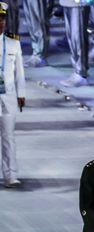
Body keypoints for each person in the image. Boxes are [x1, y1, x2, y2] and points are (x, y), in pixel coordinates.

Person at [0, 3, 26, 189]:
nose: (1, 23)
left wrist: (21, 94)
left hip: (8, 96)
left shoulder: (13, 42)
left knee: (9, 137)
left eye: (2, 19)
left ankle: (11, 175)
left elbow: (20, 72)